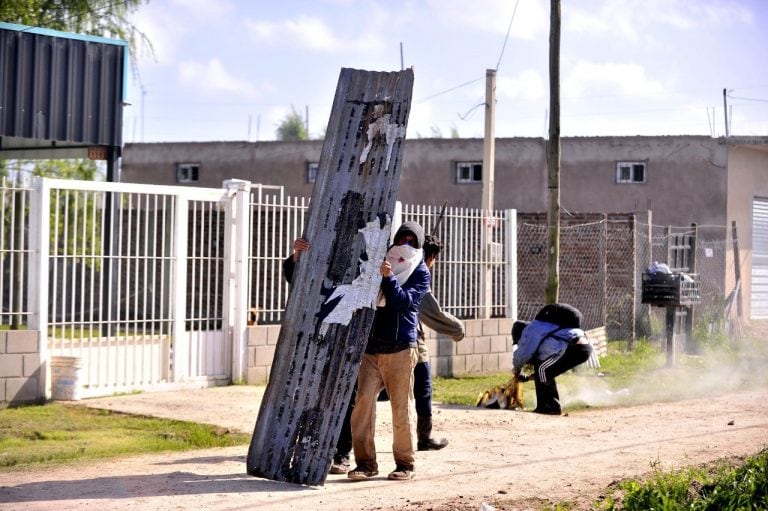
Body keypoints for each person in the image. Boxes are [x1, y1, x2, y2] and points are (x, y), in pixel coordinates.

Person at [348, 221, 430, 482]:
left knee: (401, 408)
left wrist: (389, 279)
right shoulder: (380, 264)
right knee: (362, 405)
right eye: (401, 239)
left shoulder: (420, 271)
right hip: (372, 348)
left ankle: (404, 463)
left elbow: (402, 303)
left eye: (412, 241)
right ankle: (365, 463)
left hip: (401, 349)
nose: (405, 245)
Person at [282, 237, 353, 475]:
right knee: (310, 393)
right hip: (315, 339)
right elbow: (296, 278)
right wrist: (298, 257)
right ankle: (307, 450)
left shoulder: (358, 259)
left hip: (346, 339)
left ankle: (343, 453)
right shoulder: (319, 256)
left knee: (345, 396)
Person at [415, 234, 464, 450]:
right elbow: (431, 313)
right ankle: (424, 439)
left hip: (395, 340)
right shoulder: (417, 273)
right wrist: (458, 329)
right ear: (431, 258)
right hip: (409, 342)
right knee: (423, 388)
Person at [511, 303, 592, 415]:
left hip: (573, 347)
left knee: (542, 370)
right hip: (581, 346)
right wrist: (529, 376)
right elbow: (541, 366)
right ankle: (543, 406)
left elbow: (523, 355)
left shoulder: (529, 331)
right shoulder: (544, 330)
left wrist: (516, 369)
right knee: (542, 370)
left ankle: (552, 407)